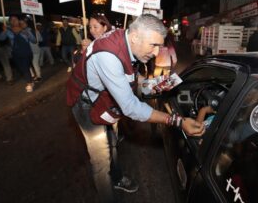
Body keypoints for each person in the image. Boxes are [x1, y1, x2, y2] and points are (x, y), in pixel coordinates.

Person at [66, 14, 204, 202]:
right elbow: (131, 107)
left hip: (105, 103)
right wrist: (177, 121)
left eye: (159, 46)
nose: (156, 53)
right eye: (153, 45)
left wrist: (156, 83)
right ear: (135, 37)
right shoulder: (108, 55)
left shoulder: (126, 40)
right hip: (87, 107)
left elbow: (130, 76)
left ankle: (116, 177)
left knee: (112, 143)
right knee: (101, 160)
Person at [0, 15, 34, 92]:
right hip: (15, 53)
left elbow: (34, 40)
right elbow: (0, 38)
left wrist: (27, 31)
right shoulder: (8, 30)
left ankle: (29, 84)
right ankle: (30, 78)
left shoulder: (25, 29)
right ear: (9, 22)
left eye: (15, 19)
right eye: (11, 19)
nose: (14, 21)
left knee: (25, 67)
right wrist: (4, 31)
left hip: (26, 52)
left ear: (18, 20)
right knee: (20, 69)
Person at [20, 16, 43, 82]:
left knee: (34, 63)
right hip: (27, 51)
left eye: (23, 23)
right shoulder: (21, 32)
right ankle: (32, 75)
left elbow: (40, 39)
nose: (22, 25)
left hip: (35, 50)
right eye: (20, 24)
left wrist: (36, 36)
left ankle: (38, 76)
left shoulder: (34, 31)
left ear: (27, 23)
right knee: (28, 63)